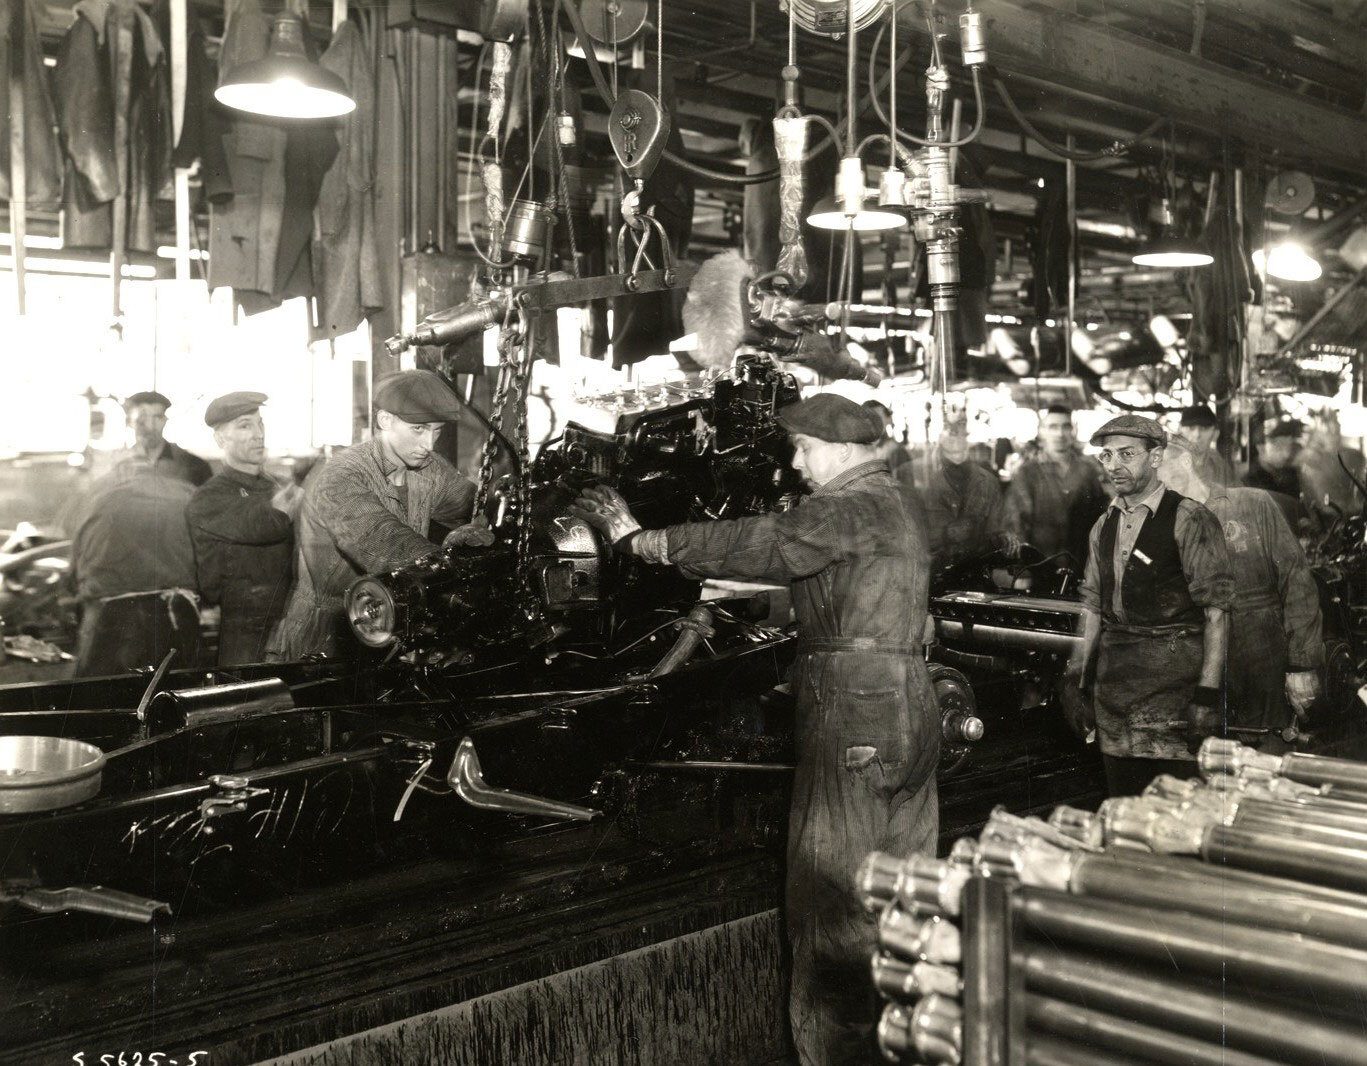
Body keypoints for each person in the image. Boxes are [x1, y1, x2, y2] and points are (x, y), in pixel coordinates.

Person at [572, 393, 939, 1065]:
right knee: (902, 890)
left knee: (830, 901)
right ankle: (908, 1044)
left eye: (804, 448)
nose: (796, 464)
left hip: (854, 706)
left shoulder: (846, 506)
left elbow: (765, 541)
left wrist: (642, 540)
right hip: (909, 698)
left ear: (841, 449)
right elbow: (818, 570)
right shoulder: (895, 501)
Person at [269, 370, 491, 661]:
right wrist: (447, 561)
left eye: (437, 431)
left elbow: (475, 505)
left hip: (387, 627)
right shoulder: (341, 474)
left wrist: (494, 513)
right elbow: (384, 541)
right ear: (385, 420)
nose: (429, 444)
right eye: (419, 429)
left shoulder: (430, 468)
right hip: (327, 637)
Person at [1068, 414, 1234, 797]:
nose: (1114, 465)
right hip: (1116, 697)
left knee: (1177, 811)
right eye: (1107, 456)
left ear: (1156, 457)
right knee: (1124, 809)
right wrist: (1077, 681)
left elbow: (1217, 613)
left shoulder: (1190, 519)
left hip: (1175, 695)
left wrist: (1207, 696)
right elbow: (1091, 607)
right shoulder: (1102, 526)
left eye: (1127, 454)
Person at [1159, 436, 1322, 753]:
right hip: (1198, 673)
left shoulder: (1251, 504)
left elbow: (1297, 582)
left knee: (1268, 763)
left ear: (1184, 462)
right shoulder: (1162, 525)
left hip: (1263, 666)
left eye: (1158, 466)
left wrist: (1302, 666)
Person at [186, 392, 295, 667]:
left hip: (292, 621)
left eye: (260, 423)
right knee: (246, 693)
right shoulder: (209, 498)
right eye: (245, 425)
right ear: (220, 439)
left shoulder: (277, 486)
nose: (259, 434)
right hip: (246, 632)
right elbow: (267, 523)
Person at [69, 466, 204, 676]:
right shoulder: (189, 496)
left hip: (108, 615)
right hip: (172, 614)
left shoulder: (102, 499)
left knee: (101, 690)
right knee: (173, 689)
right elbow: (209, 557)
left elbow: (76, 563)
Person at [1003, 405, 1107, 570]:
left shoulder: (1087, 471)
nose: (1060, 433)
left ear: (1073, 431)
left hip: (1081, 566)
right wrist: (1021, 569)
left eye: (1066, 426)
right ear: (1041, 432)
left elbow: (1101, 519)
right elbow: (1016, 524)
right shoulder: (1028, 473)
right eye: (1053, 427)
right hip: (1040, 567)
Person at [921, 417, 1017, 567]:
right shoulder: (928, 484)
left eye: (960, 435)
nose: (955, 438)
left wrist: (1004, 536)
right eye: (950, 435)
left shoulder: (988, 482)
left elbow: (998, 528)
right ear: (940, 443)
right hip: (939, 571)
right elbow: (921, 537)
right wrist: (948, 533)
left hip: (980, 569)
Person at [113, 390, 213, 486]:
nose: (151, 425)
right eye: (143, 418)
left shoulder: (193, 466)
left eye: (157, 417)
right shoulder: (118, 465)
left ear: (165, 420)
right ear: (130, 422)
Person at [1244, 419, 1313, 536]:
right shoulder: (1249, 482)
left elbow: (1300, 511)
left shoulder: (1291, 474)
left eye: (1289, 446)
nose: (1286, 453)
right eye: (1279, 445)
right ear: (1261, 448)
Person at [1298, 409, 1367, 516]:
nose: (1334, 428)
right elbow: (1320, 501)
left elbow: (1360, 491)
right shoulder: (1310, 462)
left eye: (1336, 422)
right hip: (1330, 518)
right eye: (1327, 424)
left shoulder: (1355, 456)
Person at [1177, 404, 1235, 488]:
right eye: (1191, 428)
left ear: (1215, 433)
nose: (1197, 435)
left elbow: (1236, 492)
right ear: (1180, 430)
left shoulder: (1218, 463)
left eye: (1204, 428)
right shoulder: (1169, 462)